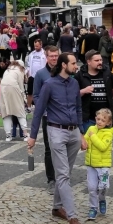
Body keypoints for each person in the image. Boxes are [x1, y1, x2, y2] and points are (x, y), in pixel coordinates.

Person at [28, 53, 86, 224]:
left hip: (73, 132)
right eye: (73, 63)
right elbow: (38, 112)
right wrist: (32, 136)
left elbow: (78, 108)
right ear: (63, 65)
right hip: (56, 131)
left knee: (65, 173)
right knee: (63, 175)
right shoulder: (49, 85)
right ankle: (72, 216)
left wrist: (81, 133)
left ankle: (56, 207)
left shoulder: (75, 83)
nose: (76, 66)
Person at [33, 46, 63, 195]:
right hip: (48, 116)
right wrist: (43, 106)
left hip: (62, 116)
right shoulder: (40, 74)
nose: (54, 58)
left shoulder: (62, 72)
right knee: (48, 148)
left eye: (56, 55)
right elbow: (36, 96)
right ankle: (51, 179)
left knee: (62, 147)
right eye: (51, 56)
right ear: (46, 56)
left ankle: (62, 177)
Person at [76, 50, 113, 132]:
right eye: (96, 60)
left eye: (101, 60)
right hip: (88, 119)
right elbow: (73, 96)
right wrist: (83, 91)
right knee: (89, 143)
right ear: (89, 62)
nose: (100, 62)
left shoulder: (108, 74)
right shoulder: (80, 75)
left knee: (105, 143)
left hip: (106, 118)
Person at [83, 108, 113, 221]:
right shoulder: (91, 128)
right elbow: (85, 141)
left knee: (103, 186)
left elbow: (102, 147)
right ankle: (93, 207)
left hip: (103, 166)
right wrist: (83, 143)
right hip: (91, 164)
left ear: (108, 122)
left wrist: (93, 136)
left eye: (103, 120)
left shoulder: (108, 133)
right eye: (98, 119)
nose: (99, 122)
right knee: (92, 187)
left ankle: (102, 199)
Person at [0, 60, 29, 142]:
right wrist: (24, 99)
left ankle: (8, 135)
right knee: (20, 111)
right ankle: (25, 134)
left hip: (2, 89)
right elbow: (21, 86)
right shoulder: (20, 71)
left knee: (6, 113)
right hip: (14, 88)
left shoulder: (7, 70)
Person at [25, 39, 46, 107]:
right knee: (30, 92)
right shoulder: (32, 54)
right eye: (35, 46)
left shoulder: (45, 54)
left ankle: (40, 106)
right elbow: (28, 65)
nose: (35, 47)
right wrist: (27, 73)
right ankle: (28, 106)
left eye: (37, 46)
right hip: (32, 76)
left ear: (41, 45)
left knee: (41, 93)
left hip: (41, 77)